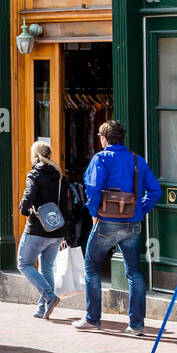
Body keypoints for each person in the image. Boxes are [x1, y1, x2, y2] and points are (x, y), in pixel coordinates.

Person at [78, 120, 162, 335]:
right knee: (134, 272)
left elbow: (93, 189)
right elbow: (155, 191)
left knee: (91, 268)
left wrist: (94, 212)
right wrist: (139, 210)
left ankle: (92, 319)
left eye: (100, 136)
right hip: (131, 223)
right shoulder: (137, 160)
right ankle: (136, 325)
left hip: (106, 222)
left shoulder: (101, 158)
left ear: (104, 138)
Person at [17, 140, 68, 319]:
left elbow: (28, 197)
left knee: (23, 263)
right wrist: (65, 231)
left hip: (38, 229)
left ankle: (49, 296)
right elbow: (64, 206)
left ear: (35, 155)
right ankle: (42, 309)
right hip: (57, 230)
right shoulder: (60, 176)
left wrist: (23, 210)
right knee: (47, 269)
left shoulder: (34, 175)